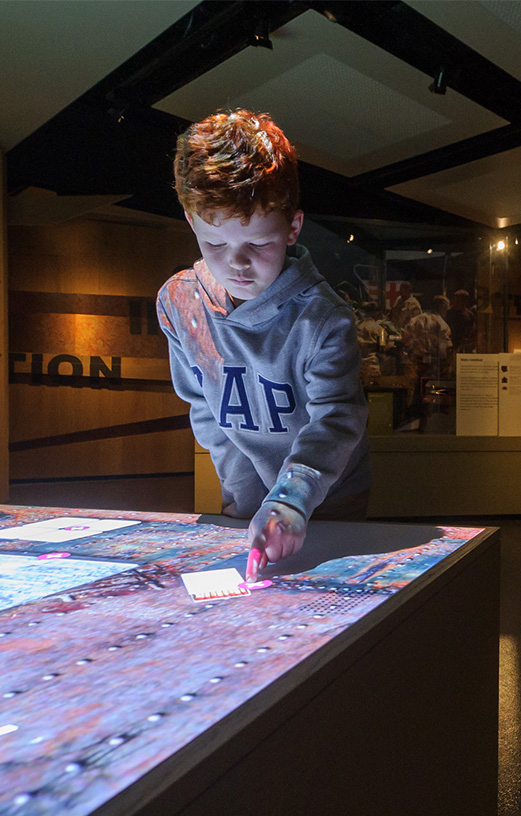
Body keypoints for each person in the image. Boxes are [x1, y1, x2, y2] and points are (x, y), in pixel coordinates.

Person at [158, 109, 370, 582]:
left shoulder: (323, 318)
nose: (236, 265)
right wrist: (247, 500)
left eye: (258, 244)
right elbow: (207, 414)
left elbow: (336, 420)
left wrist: (290, 499)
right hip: (247, 494)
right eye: (215, 243)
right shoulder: (179, 302)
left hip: (328, 496)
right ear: (192, 221)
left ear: (292, 229)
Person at [446, 289, 476, 354]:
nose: (457, 303)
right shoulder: (448, 313)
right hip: (450, 346)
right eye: (456, 300)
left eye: (460, 301)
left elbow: (472, 330)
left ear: (465, 301)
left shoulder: (469, 315)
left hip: (464, 347)